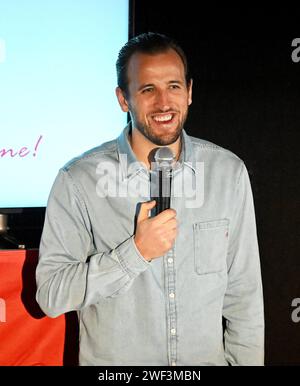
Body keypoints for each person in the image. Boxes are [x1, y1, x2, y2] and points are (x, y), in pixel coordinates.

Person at [36, 32, 264, 366]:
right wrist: (135, 253)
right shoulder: (78, 181)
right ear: (123, 99)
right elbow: (51, 295)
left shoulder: (227, 173)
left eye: (173, 86)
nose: (163, 102)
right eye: (147, 89)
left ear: (189, 93)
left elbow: (244, 299)